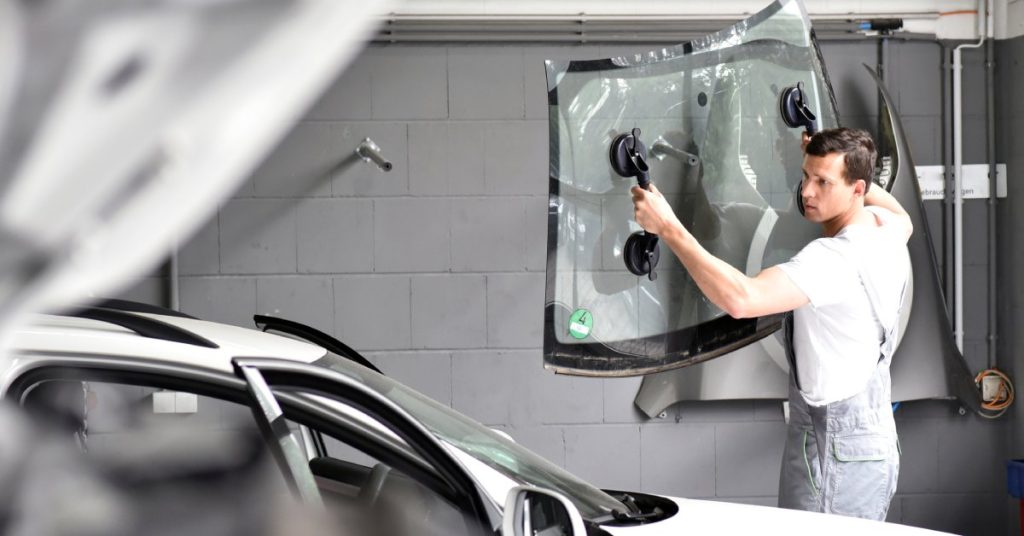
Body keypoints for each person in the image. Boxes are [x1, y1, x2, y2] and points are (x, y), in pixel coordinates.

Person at [631, 127, 911, 521]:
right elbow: (903, 214)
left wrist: (669, 228)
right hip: (872, 444)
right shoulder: (886, 228)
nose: (807, 192)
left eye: (823, 182)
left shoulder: (834, 260)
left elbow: (742, 299)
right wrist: (827, 164)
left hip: (834, 456)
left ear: (857, 189)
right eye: (806, 175)